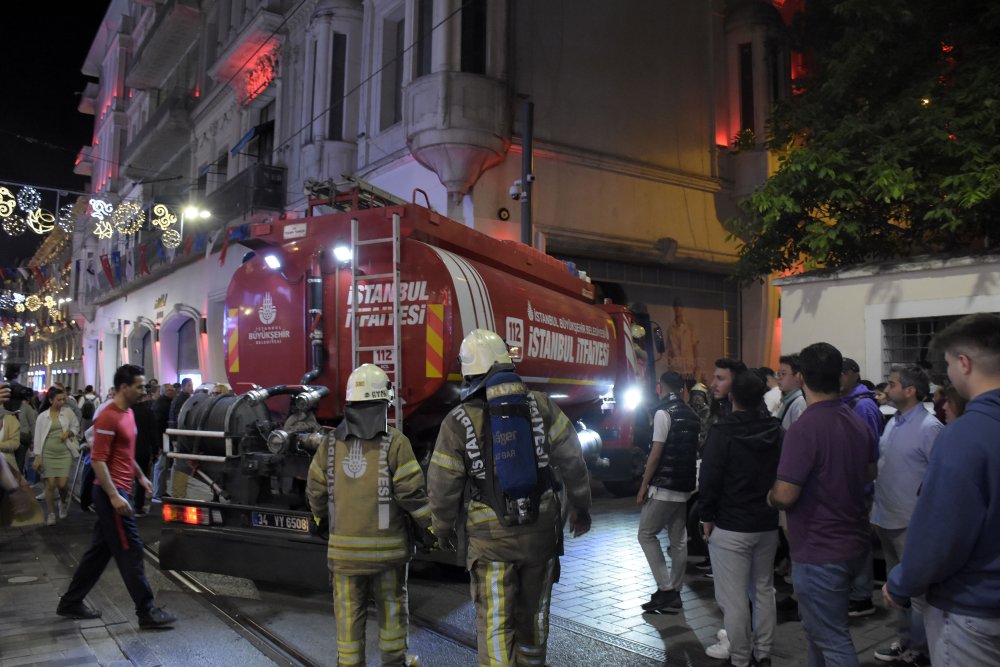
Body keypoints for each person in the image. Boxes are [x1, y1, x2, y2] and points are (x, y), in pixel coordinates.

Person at [428, 329, 592, 667]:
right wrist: (581, 507)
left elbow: (443, 485)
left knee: (495, 624)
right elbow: (574, 461)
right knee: (534, 618)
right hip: (541, 534)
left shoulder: (458, 420)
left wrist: (441, 529)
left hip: (491, 543)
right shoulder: (542, 405)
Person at [883, 314, 1000, 667]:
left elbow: (940, 534)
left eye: (947, 365)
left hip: (971, 610)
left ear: (964, 364)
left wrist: (902, 583)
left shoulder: (963, 436)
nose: (947, 375)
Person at [305, 364, 429, 667]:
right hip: (388, 553)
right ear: (384, 403)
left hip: (344, 555)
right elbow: (412, 494)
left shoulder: (330, 444)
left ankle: (349, 663)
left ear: (350, 403)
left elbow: (315, 490)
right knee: (392, 607)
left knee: (348, 613)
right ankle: (394, 661)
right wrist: (431, 528)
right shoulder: (395, 442)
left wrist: (321, 520)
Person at [768, 342, 876, 667]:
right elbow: (871, 472)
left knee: (832, 638)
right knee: (817, 632)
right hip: (853, 542)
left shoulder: (805, 428)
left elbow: (785, 495)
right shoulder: (855, 418)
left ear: (801, 378)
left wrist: (770, 495)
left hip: (820, 549)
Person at [56, 364, 176, 629]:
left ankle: (71, 602)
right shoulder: (108, 416)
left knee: (99, 553)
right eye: (140, 386)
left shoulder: (129, 414)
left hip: (122, 488)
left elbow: (125, 454)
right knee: (130, 550)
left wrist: (141, 477)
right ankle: (146, 611)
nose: (144, 391)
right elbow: (98, 460)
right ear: (124, 387)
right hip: (110, 492)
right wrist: (113, 496)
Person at [699, 370, 782, 667]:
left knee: (733, 599)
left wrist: (706, 515)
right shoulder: (775, 429)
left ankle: (739, 656)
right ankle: (764, 653)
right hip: (766, 521)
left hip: (731, 523)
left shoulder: (723, 432)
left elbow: (709, 478)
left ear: (733, 396)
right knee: (763, 590)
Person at [870, 364, 943, 667]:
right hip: (887, 517)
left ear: (910, 390)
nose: (887, 389)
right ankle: (906, 641)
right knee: (895, 589)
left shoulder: (930, 428)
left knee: (918, 593)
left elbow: (939, 479)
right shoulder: (893, 422)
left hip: (911, 522)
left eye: (893, 384)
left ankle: (923, 650)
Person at [637, 371, 700, 614]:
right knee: (679, 539)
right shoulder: (693, 415)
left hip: (663, 486)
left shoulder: (663, 413)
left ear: (660, 387)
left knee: (646, 534)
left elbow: (656, 453)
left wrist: (644, 485)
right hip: (684, 487)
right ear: (683, 388)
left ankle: (666, 590)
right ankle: (674, 589)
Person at [840, 357, 883, 617]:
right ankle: (855, 592)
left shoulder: (863, 406)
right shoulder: (845, 403)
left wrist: (863, 485)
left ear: (854, 374)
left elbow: (870, 452)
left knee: (859, 544)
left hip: (860, 488)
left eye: (844, 373)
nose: (840, 377)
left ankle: (862, 595)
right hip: (847, 487)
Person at [31, 387, 80, 526]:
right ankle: (51, 513)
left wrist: (70, 433)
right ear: (51, 400)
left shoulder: (68, 412)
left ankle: (63, 502)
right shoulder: (42, 416)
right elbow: (38, 437)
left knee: (63, 484)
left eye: (63, 399)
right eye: (58, 399)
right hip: (47, 453)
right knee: (50, 484)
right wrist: (38, 455)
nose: (62, 402)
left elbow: (76, 427)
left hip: (64, 452)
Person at [776, 354, 807, 431]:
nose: (779, 378)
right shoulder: (787, 399)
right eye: (778, 374)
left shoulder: (800, 402)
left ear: (798, 376)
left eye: (783, 374)